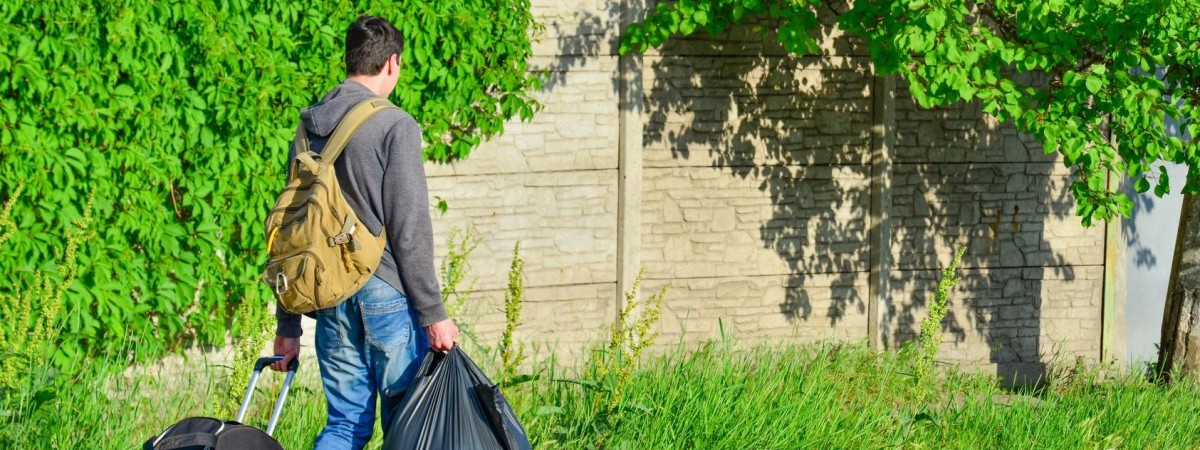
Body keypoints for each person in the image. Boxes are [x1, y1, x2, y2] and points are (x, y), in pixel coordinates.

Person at [269, 14, 458, 450]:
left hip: (329, 295)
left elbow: (293, 230)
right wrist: (434, 314)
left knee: (344, 426)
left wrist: (288, 324)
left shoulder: (309, 126)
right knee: (406, 426)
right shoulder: (395, 125)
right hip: (385, 294)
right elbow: (409, 229)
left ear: (350, 59)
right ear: (391, 63)